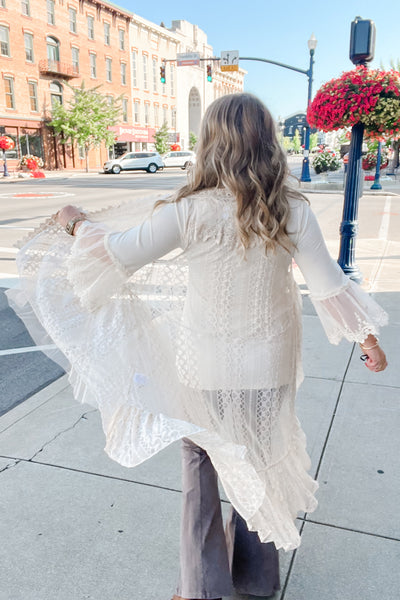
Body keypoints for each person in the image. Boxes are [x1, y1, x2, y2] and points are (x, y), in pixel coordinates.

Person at [8, 93, 388, 600]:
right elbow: (328, 282)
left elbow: (115, 254)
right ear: (268, 141)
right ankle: (256, 580)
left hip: (203, 368)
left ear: (211, 143)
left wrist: (76, 222)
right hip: (269, 366)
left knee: (200, 472)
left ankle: (203, 588)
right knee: (260, 464)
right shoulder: (290, 208)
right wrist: (368, 338)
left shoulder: (188, 211)